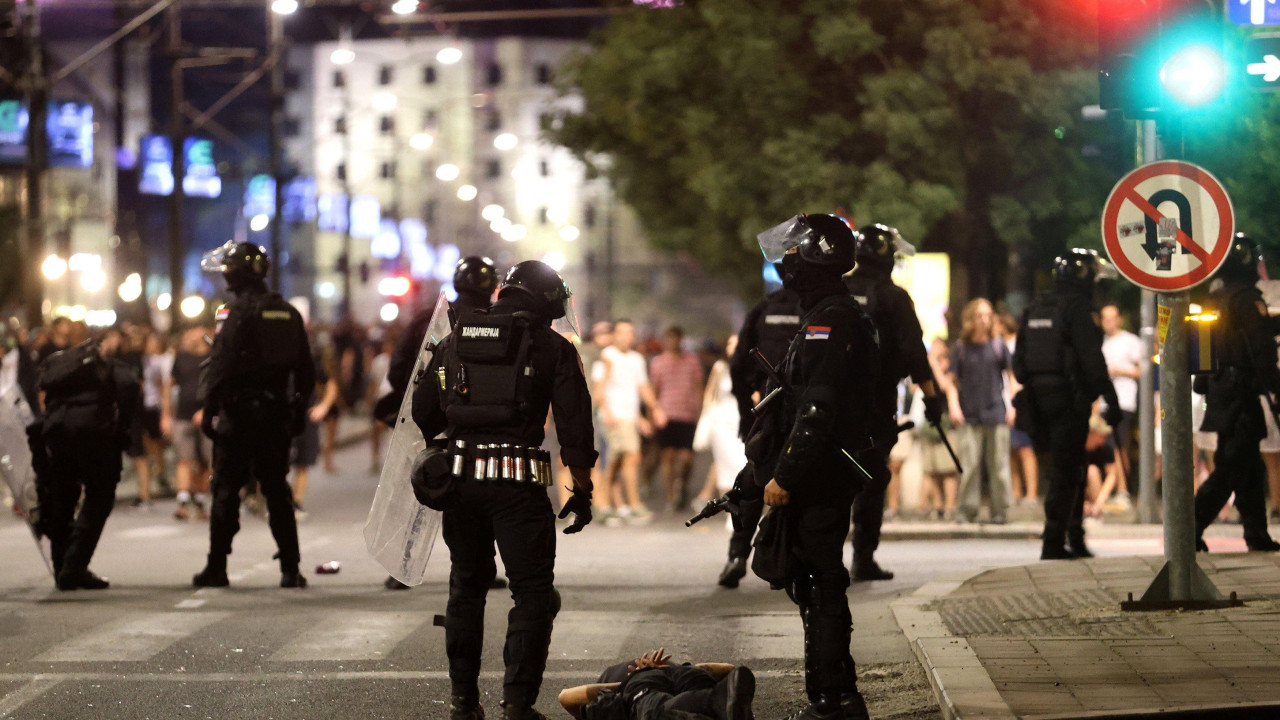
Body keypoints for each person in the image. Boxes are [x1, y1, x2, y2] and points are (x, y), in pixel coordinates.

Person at [411, 260, 598, 720]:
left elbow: (422, 410)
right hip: (518, 483)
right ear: (546, 300)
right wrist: (582, 485)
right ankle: (517, 705)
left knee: (466, 587)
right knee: (532, 592)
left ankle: (462, 704)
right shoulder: (552, 346)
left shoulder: (456, 337)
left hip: (458, 479)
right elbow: (575, 423)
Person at [755, 213, 876, 720]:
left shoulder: (833, 319)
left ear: (814, 257)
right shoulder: (822, 313)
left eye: (792, 252)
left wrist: (786, 475)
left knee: (821, 582)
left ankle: (834, 700)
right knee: (810, 581)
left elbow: (818, 410)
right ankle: (832, 695)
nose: (784, 261)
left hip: (822, 474)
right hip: (818, 470)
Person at [194, 241, 316, 589]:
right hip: (276, 414)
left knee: (227, 490)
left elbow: (221, 365)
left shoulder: (235, 313)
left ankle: (217, 567)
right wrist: (297, 409)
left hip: (239, 416)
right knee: (277, 490)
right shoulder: (288, 313)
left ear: (237, 273)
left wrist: (209, 409)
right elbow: (305, 370)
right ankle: (291, 569)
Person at [382, 255, 502, 592]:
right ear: (493, 287)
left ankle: (401, 568)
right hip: (477, 423)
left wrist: (419, 406)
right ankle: (482, 567)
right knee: (478, 495)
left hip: (429, 420)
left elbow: (399, 369)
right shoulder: (499, 322)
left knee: (418, 491)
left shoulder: (430, 320)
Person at [844, 222, 945, 581]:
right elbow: (915, 353)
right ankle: (862, 558)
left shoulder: (837, 289)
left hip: (829, 404)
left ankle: (822, 557)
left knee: (832, 480)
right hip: (874, 405)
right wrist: (933, 400)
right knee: (870, 481)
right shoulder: (894, 297)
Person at [1013, 248, 1122, 560]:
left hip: (1034, 404)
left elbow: (1018, 364)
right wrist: (1109, 399)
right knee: (1067, 471)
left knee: (1064, 471)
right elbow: (1092, 360)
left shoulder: (1034, 308)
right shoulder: (1078, 309)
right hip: (1067, 402)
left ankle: (1072, 537)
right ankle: (1055, 541)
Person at [1195, 233, 1280, 552]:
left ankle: (1256, 534)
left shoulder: (1217, 297)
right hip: (1241, 392)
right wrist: (1277, 387)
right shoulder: (1246, 298)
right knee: (1233, 465)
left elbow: (1210, 344)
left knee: (1247, 464)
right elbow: (1259, 349)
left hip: (1220, 391)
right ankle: (1189, 524)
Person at [38, 327, 140, 590]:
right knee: (100, 496)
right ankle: (74, 566)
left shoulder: (66, 362)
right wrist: (122, 429)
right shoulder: (107, 364)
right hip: (94, 434)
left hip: (58, 433)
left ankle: (61, 565)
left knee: (63, 497)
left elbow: (43, 387)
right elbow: (129, 388)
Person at [718, 278, 803, 588]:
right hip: (809, 413)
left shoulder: (765, 308)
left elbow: (739, 364)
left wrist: (747, 413)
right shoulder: (820, 307)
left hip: (770, 413)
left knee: (753, 483)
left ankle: (738, 555)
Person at [948, 298, 1014, 525]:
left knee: (999, 465)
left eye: (988, 315)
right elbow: (951, 382)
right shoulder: (961, 348)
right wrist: (954, 406)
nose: (984, 320)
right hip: (969, 412)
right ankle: (967, 509)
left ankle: (1000, 510)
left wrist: (1012, 405)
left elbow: (1011, 377)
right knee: (969, 465)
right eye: (980, 315)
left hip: (996, 411)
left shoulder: (997, 345)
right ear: (971, 318)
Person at [594, 319, 664, 524]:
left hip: (629, 417)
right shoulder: (607, 356)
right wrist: (606, 411)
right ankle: (629, 505)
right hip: (613, 417)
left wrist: (654, 409)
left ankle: (607, 505)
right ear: (615, 335)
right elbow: (599, 388)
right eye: (622, 332)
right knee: (626, 459)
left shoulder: (636, 359)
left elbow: (643, 387)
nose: (626, 337)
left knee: (619, 462)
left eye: (630, 333)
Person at [557, 648, 755, 720]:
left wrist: (629, 680)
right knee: (658, 704)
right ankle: (717, 701)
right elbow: (728, 669)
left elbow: (565, 697)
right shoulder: (613, 696)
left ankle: (718, 701)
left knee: (654, 708)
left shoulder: (614, 697)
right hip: (665, 677)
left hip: (651, 683)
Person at [648, 326, 705, 512]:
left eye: (676, 339)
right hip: (666, 414)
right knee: (668, 456)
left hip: (687, 414)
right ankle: (671, 496)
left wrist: (701, 410)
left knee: (687, 457)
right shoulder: (658, 363)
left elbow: (698, 386)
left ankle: (683, 484)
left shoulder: (692, 361)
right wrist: (652, 414)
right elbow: (653, 390)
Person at [163, 325, 213, 521]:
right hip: (183, 415)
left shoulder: (215, 358)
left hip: (208, 416)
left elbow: (220, 388)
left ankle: (200, 501)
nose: (195, 336)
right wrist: (165, 415)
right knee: (184, 458)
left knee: (205, 461)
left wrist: (206, 411)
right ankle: (182, 502)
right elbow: (169, 386)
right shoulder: (181, 357)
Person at [1100, 304, 1140, 509]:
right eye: (1104, 318)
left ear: (1119, 319)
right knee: (1110, 446)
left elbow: (1142, 371)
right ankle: (1116, 488)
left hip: (1124, 400)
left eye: (1111, 318)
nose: (1108, 322)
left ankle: (1123, 489)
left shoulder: (1130, 341)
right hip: (1104, 402)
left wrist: (1117, 370)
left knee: (1118, 446)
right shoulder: (1103, 343)